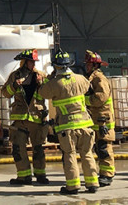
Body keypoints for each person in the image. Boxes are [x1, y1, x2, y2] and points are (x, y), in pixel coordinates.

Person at [36, 50, 99, 194]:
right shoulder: (81, 79)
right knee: (87, 153)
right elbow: (88, 88)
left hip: (67, 127)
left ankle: (73, 186)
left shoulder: (54, 84)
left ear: (56, 66)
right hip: (85, 124)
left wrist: (47, 79)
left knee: (70, 155)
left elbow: (42, 93)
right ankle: (92, 183)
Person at [2, 49, 49, 186]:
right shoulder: (15, 76)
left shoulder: (41, 76)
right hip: (20, 119)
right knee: (18, 148)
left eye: (34, 61)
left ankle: (40, 175)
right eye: (31, 61)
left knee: (38, 148)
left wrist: (41, 84)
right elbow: (5, 93)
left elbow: (48, 93)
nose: (33, 64)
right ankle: (24, 176)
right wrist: (15, 85)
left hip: (37, 117)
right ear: (24, 62)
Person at [84, 50, 116, 186]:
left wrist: (85, 100)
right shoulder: (92, 78)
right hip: (97, 119)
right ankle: (103, 173)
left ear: (94, 65)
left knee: (104, 147)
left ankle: (107, 175)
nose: (86, 67)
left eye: (88, 64)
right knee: (99, 147)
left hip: (104, 120)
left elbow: (100, 98)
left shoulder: (99, 79)